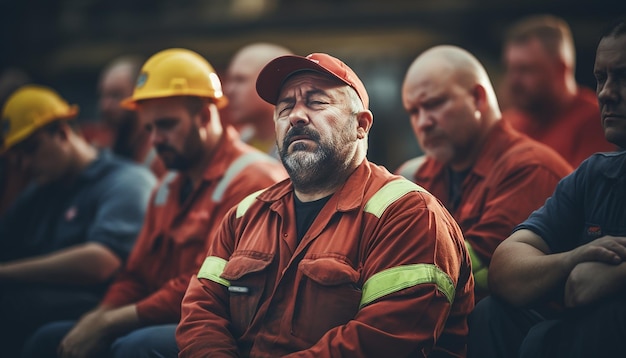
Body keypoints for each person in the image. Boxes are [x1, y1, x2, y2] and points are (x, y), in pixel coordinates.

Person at [176, 52, 475, 357]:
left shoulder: (409, 215)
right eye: (285, 107)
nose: (296, 116)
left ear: (361, 125)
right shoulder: (244, 215)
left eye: (317, 102)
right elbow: (201, 312)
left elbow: (381, 341)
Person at [24, 48, 288, 358]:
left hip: (226, 326)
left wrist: (111, 322)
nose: (155, 140)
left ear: (204, 115)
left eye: (166, 125)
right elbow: (136, 273)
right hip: (165, 316)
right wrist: (99, 316)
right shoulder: (167, 186)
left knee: (133, 348)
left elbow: (205, 286)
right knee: (50, 338)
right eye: (149, 128)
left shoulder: (252, 179)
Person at [468, 21, 626, 358]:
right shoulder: (595, 172)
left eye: (623, 76)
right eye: (601, 78)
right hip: (561, 290)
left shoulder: (582, 131)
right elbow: (505, 267)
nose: (607, 93)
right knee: (492, 314)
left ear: (561, 69)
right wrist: (574, 259)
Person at [397, 45, 572, 299]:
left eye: (434, 104)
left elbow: (475, 270)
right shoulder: (417, 175)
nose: (423, 122)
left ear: (478, 98)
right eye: (414, 111)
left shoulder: (529, 169)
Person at [0, 84, 157, 357]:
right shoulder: (41, 191)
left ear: (61, 132)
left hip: (102, 301)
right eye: (16, 157)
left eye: (30, 149)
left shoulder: (126, 181)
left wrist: (5, 273)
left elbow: (102, 262)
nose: (24, 164)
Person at [501, 14, 615, 167]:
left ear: (561, 69)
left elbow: (585, 189)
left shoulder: (598, 122)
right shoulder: (510, 123)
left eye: (525, 70)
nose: (513, 81)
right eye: (510, 69)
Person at [80, 55, 166, 178]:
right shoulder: (98, 145)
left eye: (115, 96)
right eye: (102, 96)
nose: (105, 106)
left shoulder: (159, 155)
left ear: (137, 98)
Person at [224, 42, 293, 157]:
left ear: (273, 82)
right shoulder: (237, 142)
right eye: (230, 80)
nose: (228, 90)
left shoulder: (301, 147)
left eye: (240, 80)